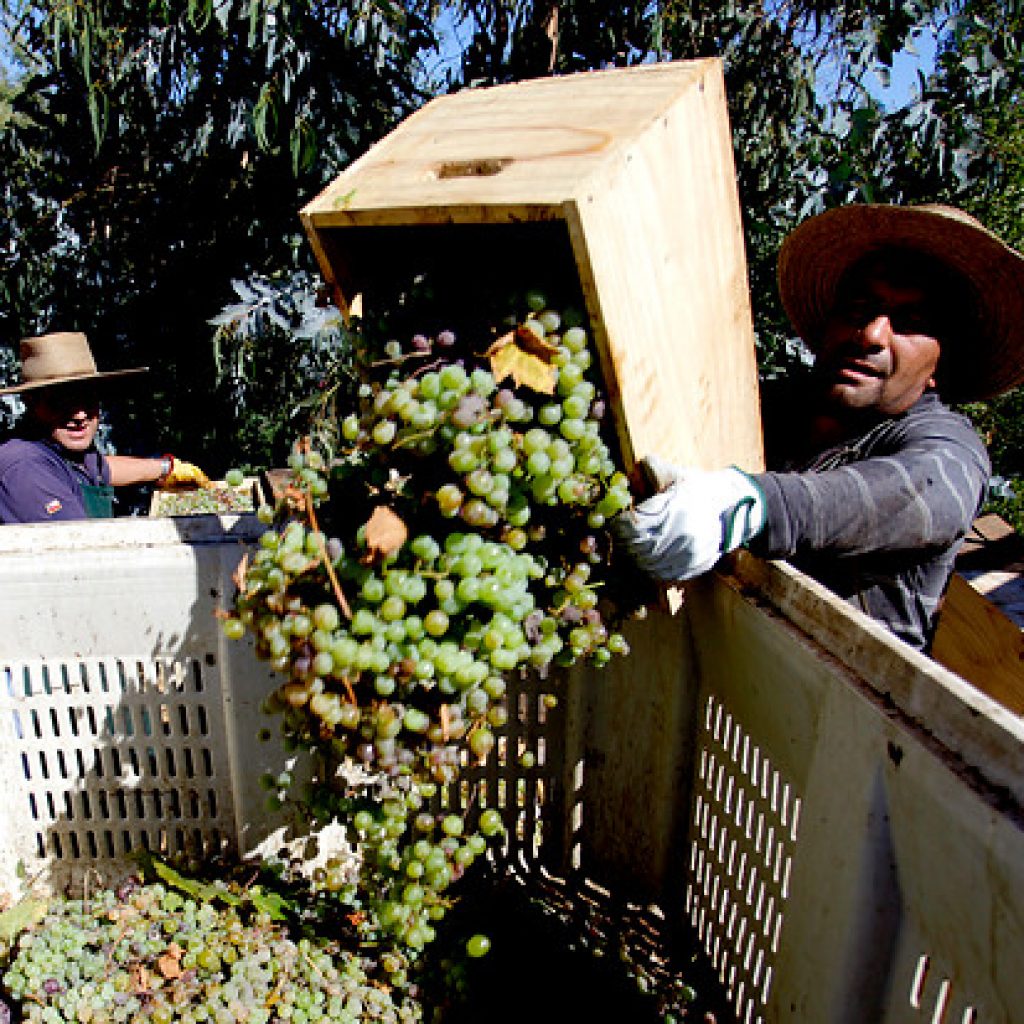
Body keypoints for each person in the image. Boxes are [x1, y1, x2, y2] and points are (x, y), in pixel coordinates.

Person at [614, 203, 1024, 653]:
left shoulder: (947, 446)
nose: (871, 334)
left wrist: (749, 506)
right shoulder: (772, 408)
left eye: (910, 323)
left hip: (839, 711)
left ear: (939, 366)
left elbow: (928, 493)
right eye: (859, 307)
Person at [0, 331, 209, 523]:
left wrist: (166, 468)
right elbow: (80, 545)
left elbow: (104, 469)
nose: (80, 415)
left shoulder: (68, 454)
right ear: (31, 402)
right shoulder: (24, 465)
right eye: (61, 402)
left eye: (87, 399)